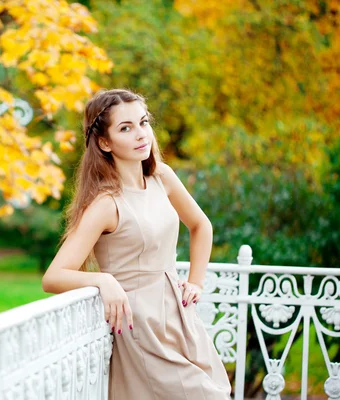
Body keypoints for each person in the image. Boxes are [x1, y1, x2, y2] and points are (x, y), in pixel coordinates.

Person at [42, 89, 232, 399]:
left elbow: (201, 226)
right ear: (105, 143)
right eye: (125, 128)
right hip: (141, 326)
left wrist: (196, 282)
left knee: (216, 391)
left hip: (179, 317)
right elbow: (53, 277)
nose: (141, 134)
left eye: (143, 122)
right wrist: (104, 280)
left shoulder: (162, 177)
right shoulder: (106, 203)